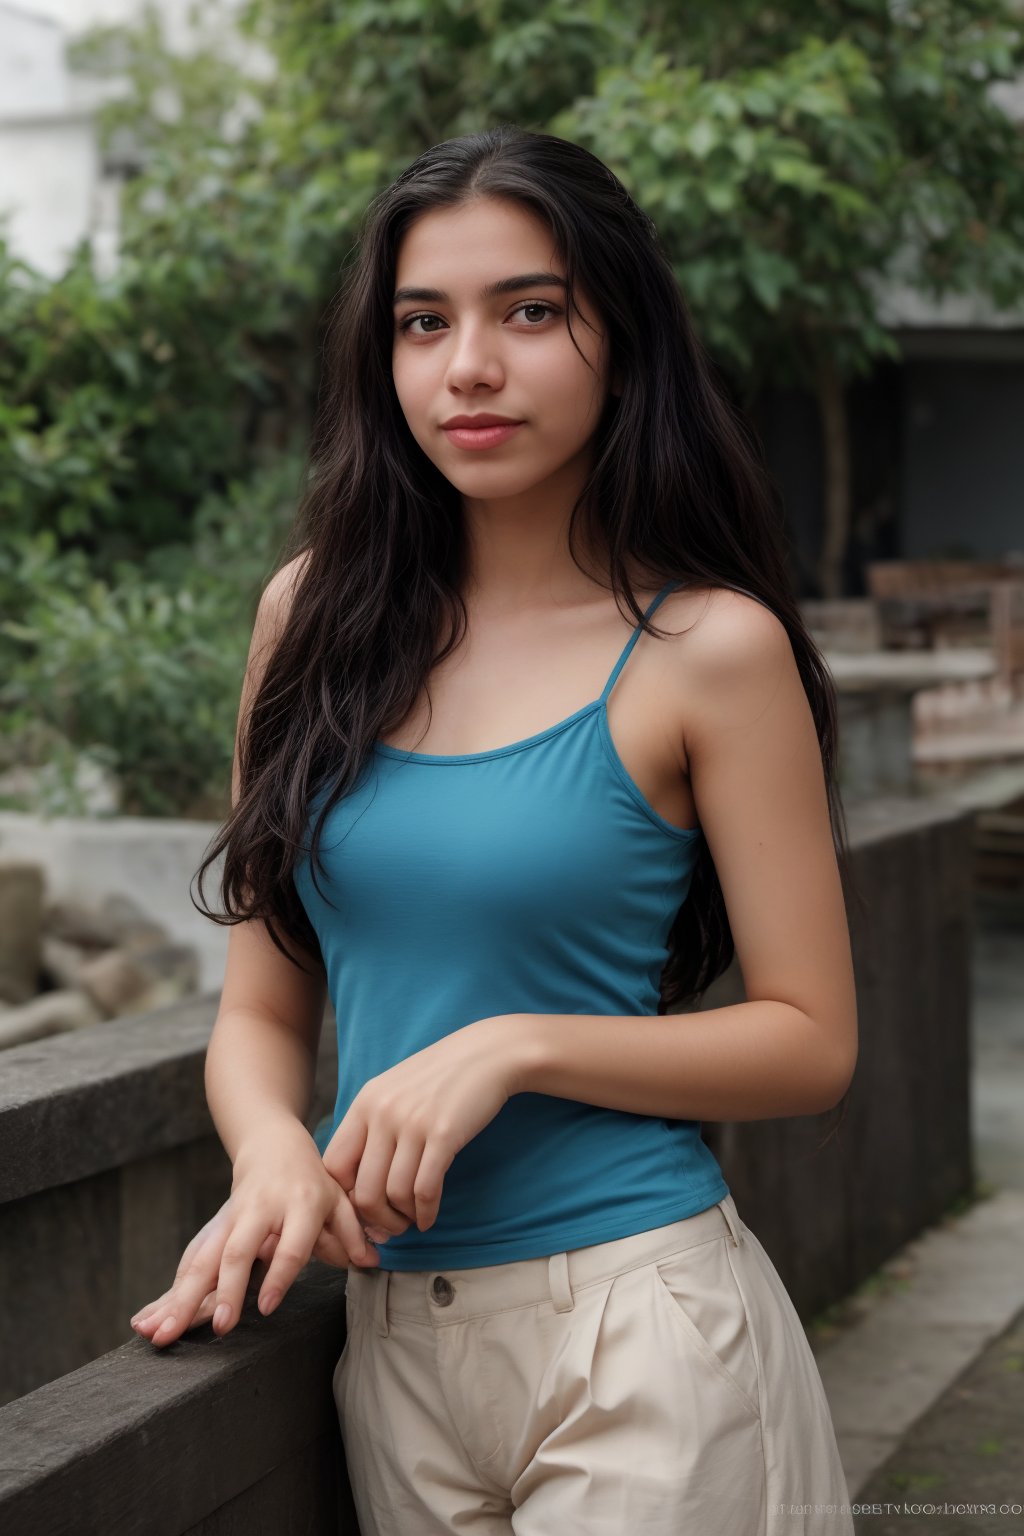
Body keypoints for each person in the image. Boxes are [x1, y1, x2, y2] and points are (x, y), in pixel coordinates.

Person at [130, 124, 859, 1535]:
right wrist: (272, 1151)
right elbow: (263, 1011)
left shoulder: (708, 649)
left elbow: (812, 1039)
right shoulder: (310, 624)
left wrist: (511, 1048)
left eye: (530, 311)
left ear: (621, 338)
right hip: (393, 1349)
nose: (468, 365)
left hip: (640, 1330)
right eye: (423, 322)